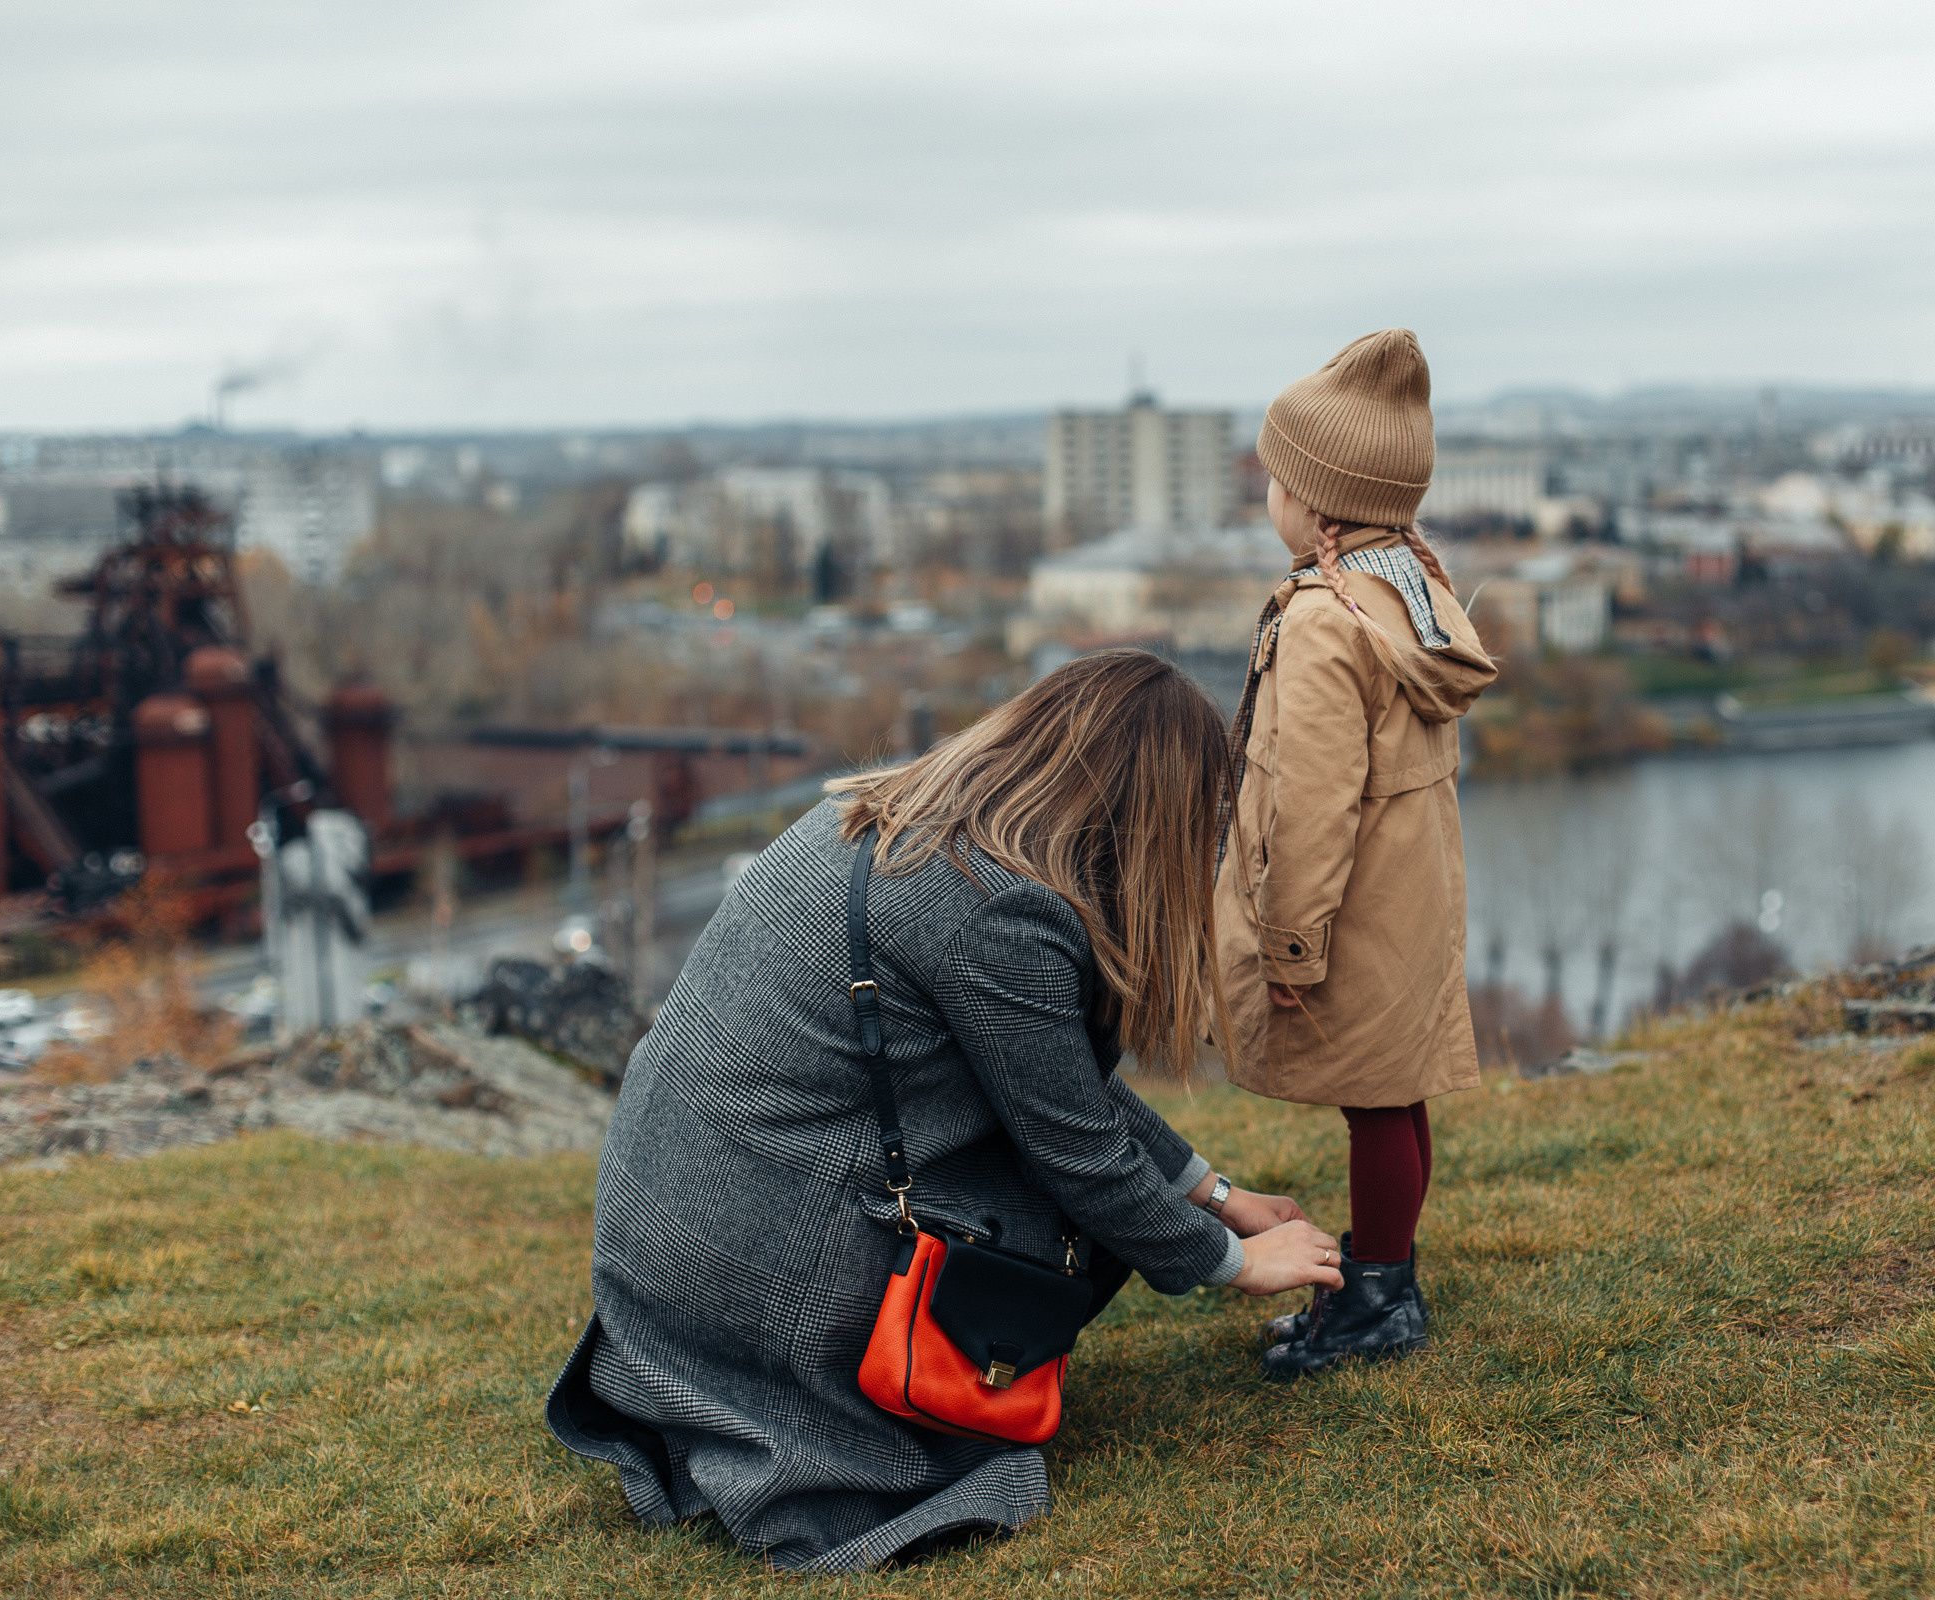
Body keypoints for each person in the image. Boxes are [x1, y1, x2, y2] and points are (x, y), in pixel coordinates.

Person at [547, 650, 1343, 1572]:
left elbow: (1055, 1086)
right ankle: (842, 1417)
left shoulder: (894, 820)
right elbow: (1078, 1147)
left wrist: (1214, 1190)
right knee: (1069, 1199)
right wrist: (1235, 1260)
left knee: (1063, 1175)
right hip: (755, 1276)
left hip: (671, 1251)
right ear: (1143, 815)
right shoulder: (999, 909)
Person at [1214, 328, 1499, 1381]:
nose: (1271, 501)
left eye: (1280, 483)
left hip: (1351, 907)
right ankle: (1389, 1280)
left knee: (1377, 1098)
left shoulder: (1328, 626)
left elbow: (1314, 800)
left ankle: (1378, 1301)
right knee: (1396, 1090)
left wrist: (1290, 944)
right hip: (1408, 897)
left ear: (1322, 506)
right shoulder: (1409, 596)